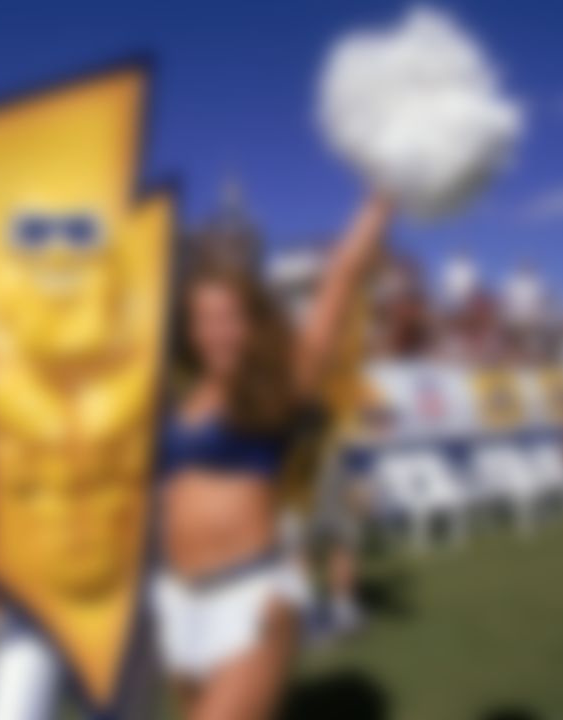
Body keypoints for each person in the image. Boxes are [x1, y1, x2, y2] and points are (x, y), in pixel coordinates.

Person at [153, 192, 391, 719]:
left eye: (231, 317)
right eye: (204, 318)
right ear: (190, 327)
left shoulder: (283, 382)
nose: (217, 332)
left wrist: (379, 201)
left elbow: (339, 280)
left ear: (255, 322)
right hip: (175, 600)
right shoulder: (181, 397)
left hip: (253, 596)